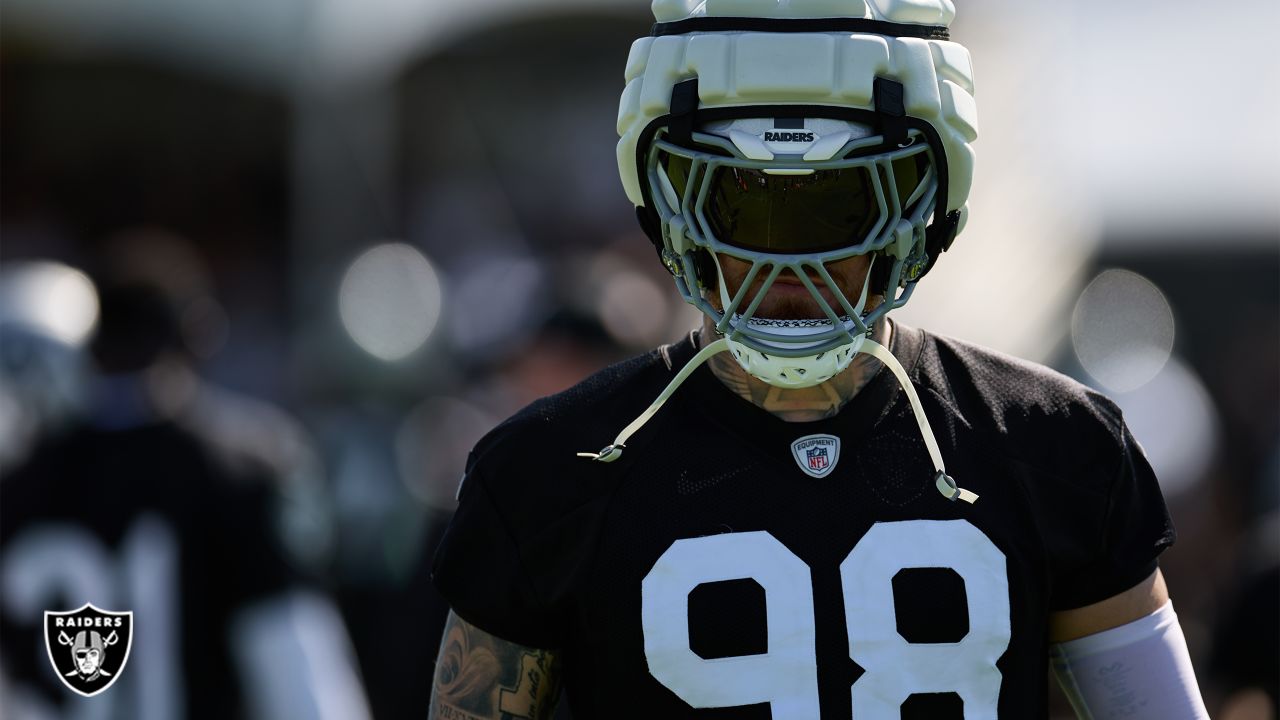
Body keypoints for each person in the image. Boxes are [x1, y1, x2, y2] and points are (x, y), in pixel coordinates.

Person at [429, 1, 1210, 717]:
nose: (789, 268)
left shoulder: (1056, 446)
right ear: (671, 198)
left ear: (923, 202)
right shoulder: (547, 471)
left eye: (839, 204)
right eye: (743, 201)